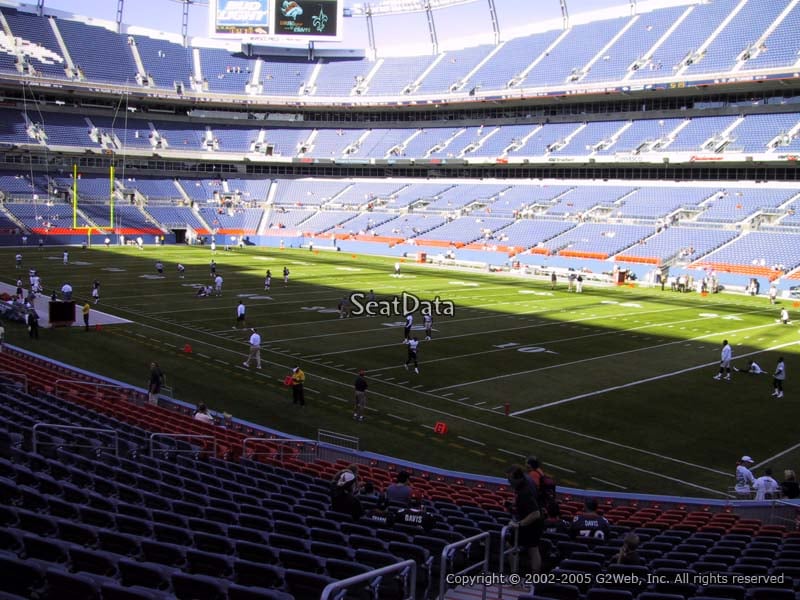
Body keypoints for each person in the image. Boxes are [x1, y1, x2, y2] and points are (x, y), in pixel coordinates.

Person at [506, 465, 544, 575]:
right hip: (533, 521)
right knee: (533, 548)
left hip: (530, 522)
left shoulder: (525, 492)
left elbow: (535, 513)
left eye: (510, 480)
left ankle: (514, 574)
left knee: (512, 545)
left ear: (518, 479)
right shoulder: (526, 479)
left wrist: (519, 524)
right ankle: (534, 577)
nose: (508, 482)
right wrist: (515, 502)